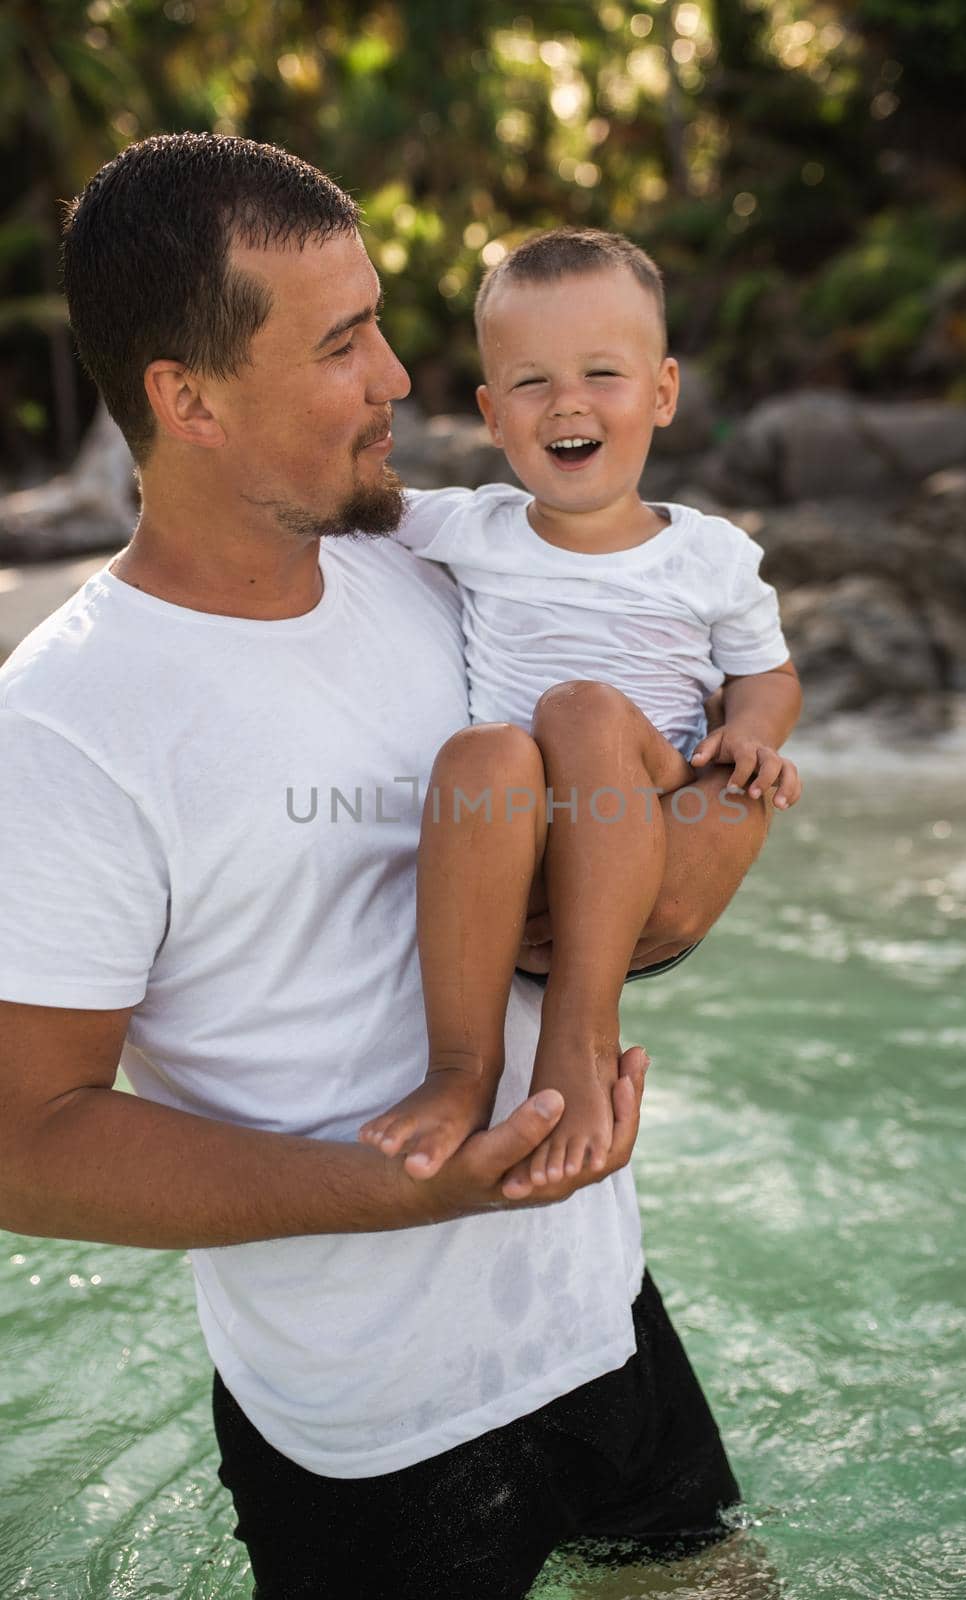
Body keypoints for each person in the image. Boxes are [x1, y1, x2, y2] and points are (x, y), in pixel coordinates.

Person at [0, 134, 774, 1600]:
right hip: (365, 1435)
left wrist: (697, 861)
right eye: (344, 342)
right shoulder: (63, 728)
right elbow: (24, 1145)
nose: (399, 381)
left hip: (596, 1315)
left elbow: (669, 778)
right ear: (189, 399)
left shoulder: (442, 572)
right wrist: (399, 1191)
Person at [360, 228, 802, 1190]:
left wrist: (752, 737)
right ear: (490, 412)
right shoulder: (468, 527)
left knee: (583, 712)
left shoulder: (708, 554)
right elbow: (344, 503)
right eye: (531, 383)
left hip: (641, 814)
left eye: (603, 372)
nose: (567, 401)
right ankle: (462, 1070)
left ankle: (580, 1029)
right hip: (513, 853)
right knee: (482, 754)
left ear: (663, 392)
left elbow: (769, 673)